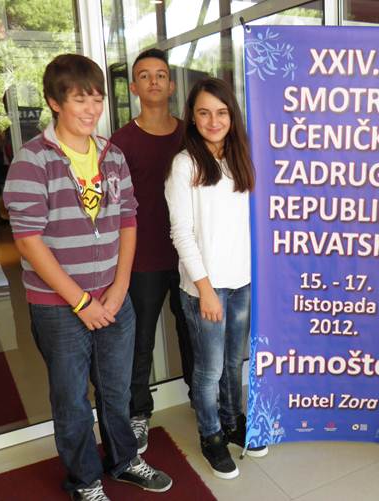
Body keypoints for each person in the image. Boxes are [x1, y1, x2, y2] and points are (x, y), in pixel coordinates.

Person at [3, 53, 172, 500]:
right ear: (54, 102)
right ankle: (84, 480)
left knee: (117, 391)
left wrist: (119, 288)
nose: (92, 109)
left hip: (114, 298)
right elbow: (29, 242)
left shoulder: (112, 155)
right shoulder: (32, 161)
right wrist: (80, 302)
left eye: (97, 99)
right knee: (72, 400)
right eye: (80, 100)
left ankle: (124, 460)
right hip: (59, 308)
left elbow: (129, 220)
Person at [165, 77, 267, 480]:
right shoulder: (185, 164)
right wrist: (205, 290)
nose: (213, 120)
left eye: (221, 112)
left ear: (232, 115)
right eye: (204, 112)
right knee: (209, 371)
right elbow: (181, 233)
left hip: (241, 282)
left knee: (232, 362)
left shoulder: (241, 158)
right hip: (204, 288)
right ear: (192, 116)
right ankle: (211, 436)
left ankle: (232, 420)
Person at [111, 48, 194, 454]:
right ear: (133, 88)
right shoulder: (121, 142)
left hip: (189, 256)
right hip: (143, 258)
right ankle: (138, 413)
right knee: (140, 340)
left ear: (171, 85)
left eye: (161, 74)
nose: (154, 81)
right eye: (145, 76)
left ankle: (203, 400)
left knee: (193, 333)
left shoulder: (191, 134)